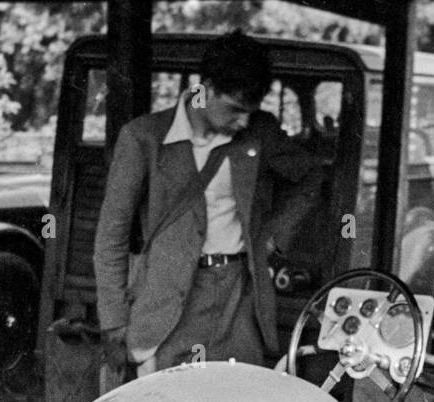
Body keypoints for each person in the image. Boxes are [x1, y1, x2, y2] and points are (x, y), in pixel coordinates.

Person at [94, 30, 319, 373]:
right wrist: (113, 321)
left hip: (239, 300)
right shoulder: (144, 138)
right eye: (235, 109)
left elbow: (310, 177)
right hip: (167, 306)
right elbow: (112, 235)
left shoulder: (259, 132)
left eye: (251, 111)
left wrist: (273, 237)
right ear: (207, 88)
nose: (243, 121)